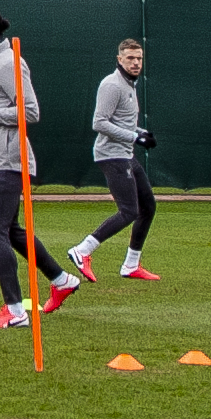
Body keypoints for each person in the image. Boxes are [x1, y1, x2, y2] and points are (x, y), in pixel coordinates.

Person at [0, 8, 83, 330]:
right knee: (12, 232)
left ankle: (15, 311)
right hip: (0, 160)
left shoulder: (7, 61)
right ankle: (61, 279)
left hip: (8, 162)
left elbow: (30, 112)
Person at [68, 38, 161, 283]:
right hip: (111, 155)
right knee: (129, 210)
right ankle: (82, 250)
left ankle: (131, 265)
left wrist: (139, 133)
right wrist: (134, 137)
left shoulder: (130, 85)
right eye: (130, 58)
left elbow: (121, 120)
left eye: (139, 58)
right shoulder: (111, 85)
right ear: (119, 59)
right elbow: (99, 122)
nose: (136, 63)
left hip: (126, 153)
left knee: (148, 206)